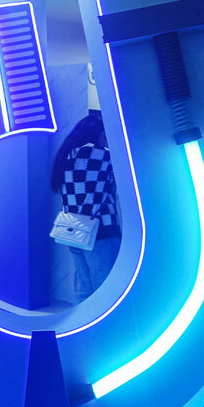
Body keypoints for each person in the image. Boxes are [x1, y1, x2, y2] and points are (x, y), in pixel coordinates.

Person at [50, 110, 121, 302]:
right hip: (101, 229)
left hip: (72, 229)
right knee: (105, 287)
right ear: (98, 133)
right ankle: (106, 322)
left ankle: (81, 320)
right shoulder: (102, 156)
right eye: (105, 134)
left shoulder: (66, 156)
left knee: (82, 286)